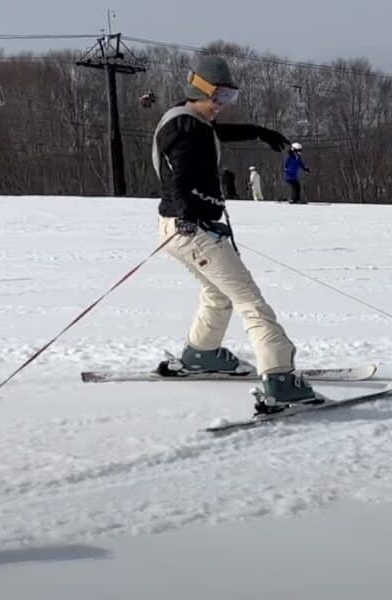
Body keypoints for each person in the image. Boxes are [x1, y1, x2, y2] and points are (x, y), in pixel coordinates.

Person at [151, 54, 317, 407]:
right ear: (200, 91)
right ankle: (279, 378)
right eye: (219, 98)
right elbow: (178, 177)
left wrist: (258, 131)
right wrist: (187, 215)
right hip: (191, 229)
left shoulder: (189, 118)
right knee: (249, 301)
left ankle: (201, 353)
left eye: (229, 98)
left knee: (218, 294)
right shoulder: (185, 129)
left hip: (182, 229)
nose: (222, 107)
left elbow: (215, 133)